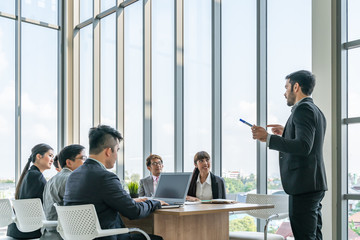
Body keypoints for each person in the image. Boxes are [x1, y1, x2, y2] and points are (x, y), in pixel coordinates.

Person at [251, 70, 327, 240]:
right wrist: (286, 132)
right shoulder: (316, 111)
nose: (284, 93)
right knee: (314, 236)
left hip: (304, 186)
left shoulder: (303, 109)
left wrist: (268, 138)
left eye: (286, 87)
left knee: (304, 236)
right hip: (313, 184)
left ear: (296, 87)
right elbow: (309, 141)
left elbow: (303, 146)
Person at [64, 125, 166, 240]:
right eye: (117, 150)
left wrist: (129, 200)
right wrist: (155, 202)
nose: (117, 156)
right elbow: (134, 212)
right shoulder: (105, 177)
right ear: (108, 151)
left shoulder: (73, 176)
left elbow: (98, 202)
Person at [7, 143, 54, 239]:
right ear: (39, 156)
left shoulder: (28, 174)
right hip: (29, 231)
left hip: (16, 230)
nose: (52, 160)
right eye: (50, 155)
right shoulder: (36, 176)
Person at [41, 144, 86, 239]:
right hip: (64, 234)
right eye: (83, 158)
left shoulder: (51, 181)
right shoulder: (72, 180)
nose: (86, 163)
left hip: (48, 233)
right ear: (69, 162)